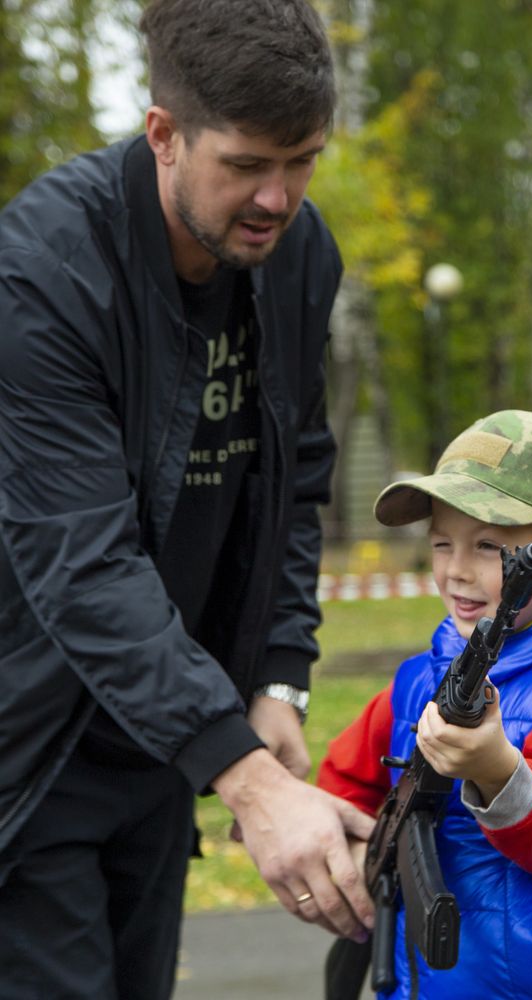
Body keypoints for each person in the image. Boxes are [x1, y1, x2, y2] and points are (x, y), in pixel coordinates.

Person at [0, 1, 375, 997]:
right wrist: (241, 771)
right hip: (29, 750)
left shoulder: (298, 256)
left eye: (302, 161)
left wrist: (280, 677)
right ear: (163, 133)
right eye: (246, 163)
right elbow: (82, 565)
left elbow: (295, 476)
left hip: (161, 753)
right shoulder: (42, 273)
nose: (277, 197)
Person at [318, 409, 532, 999]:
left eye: (486, 546)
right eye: (441, 543)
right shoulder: (423, 675)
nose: (456, 570)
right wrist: (355, 850)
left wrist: (495, 768)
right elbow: (345, 777)